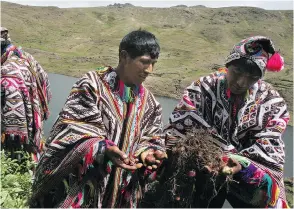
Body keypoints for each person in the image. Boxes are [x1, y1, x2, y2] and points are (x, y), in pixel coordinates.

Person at [29, 29, 167, 208]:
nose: (150, 70)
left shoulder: (150, 102)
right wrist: (103, 148)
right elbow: (71, 128)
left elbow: (152, 137)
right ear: (124, 56)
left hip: (121, 192)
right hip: (85, 185)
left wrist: (148, 153)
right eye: (144, 62)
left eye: (153, 63)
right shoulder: (92, 85)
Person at [164, 36, 290, 208]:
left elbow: (271, 145)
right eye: (236, 72)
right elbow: (182, 123)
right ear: (228, 64)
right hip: (204, 169)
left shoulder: (271, 101)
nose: (241, 82)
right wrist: (217, 152)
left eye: (252, 77)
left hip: (245, 175)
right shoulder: (203, 88)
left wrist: (244, 164)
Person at [1, 27, 51, 162]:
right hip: (34, 124)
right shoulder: (26, 57)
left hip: (18, 135)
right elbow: (45, 84)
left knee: (17, 158)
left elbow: (13, 122)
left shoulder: (7, 71)